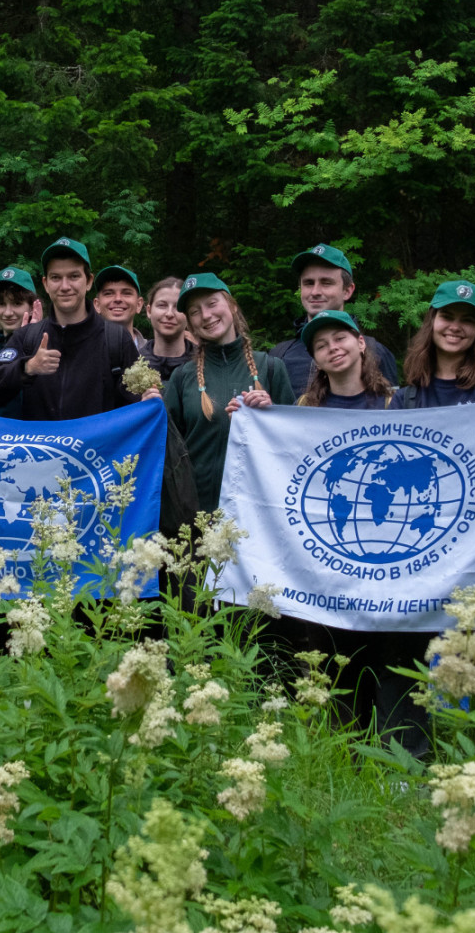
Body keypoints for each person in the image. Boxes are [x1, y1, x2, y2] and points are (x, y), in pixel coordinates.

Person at [291, 309, 430, 758]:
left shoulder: (400, 402)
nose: (333, 347)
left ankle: (403, 763)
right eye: (321, 344)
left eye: (340, 338)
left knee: (397, 661)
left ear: (361, 344)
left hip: (394, 567)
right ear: (315, 358)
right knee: (337, 661)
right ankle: (346, 760)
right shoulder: (303, 412)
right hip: (329, 568)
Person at [399, 280, 475, 738]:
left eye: (467, 320)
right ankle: (417, 750)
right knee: (417, 638)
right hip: (425, 536)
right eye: (448, 317)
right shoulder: (410, 390)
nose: (455, 327)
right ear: (431, 321)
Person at [0, 237, 151, 420]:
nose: (65, 286)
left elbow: (137, 408)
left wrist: (148, 399)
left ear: (89, 281)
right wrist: (28, 367)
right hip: (42, 448)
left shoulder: (116, 339)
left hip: (96, 448)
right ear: (45, 284)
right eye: (56, 278)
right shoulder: (28, 337)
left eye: (74, 276)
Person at [162, 273, 294, 510]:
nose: (206, 315)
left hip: (259, 513)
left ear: (232, 306)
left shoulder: (271, 368)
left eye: (212, 304)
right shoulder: (182, 377)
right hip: (196, 515)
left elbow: (293, 445)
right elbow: (168, 449)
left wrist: (269, 415)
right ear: (190, 324)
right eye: (195, 311)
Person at [270, 243, 399, 392]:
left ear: (347, 290)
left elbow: (392, 412)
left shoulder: (375, 352)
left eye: (326, 283)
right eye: (308, 283)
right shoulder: (279, 356)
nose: (315, 291)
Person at [0, 266, 43, 417]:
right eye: (1, 304)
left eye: (17, 303)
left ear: (32, 307)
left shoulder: (46, 352)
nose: (8, 312)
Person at [140, 276, 193, 381]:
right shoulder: (134, 363)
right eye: (162, 305)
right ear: (149, 311)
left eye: (178, 307)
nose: (169, 314)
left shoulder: (204, 363)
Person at [92, 265, 147, 350]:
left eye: (126, 293)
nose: (118, 299)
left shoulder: (156, 355)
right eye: (109, 293)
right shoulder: (79, 351)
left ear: (139, 304)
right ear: (97, 305)